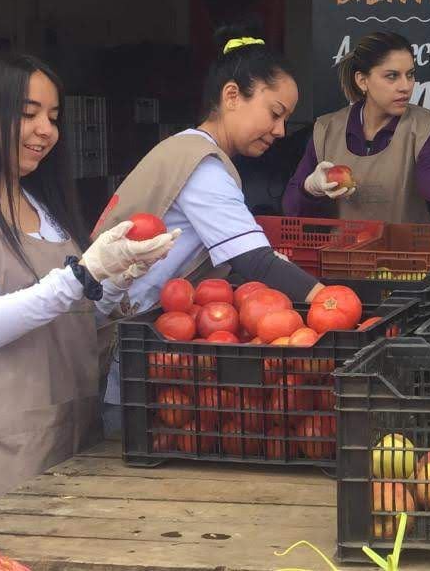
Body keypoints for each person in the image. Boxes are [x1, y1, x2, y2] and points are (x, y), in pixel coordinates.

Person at [0, 52, 177, 538]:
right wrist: (85, 273)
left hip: (55, 435)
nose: (47, 130)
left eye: (54, 117)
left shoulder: (40, 205)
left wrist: (119, 276)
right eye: (28, 113)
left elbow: (71, 316)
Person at [94, 30, 325, 427]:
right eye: (275, 112)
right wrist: (328, 303)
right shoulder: (201, 164)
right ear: (232, 96)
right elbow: (253, 260)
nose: (281, 130)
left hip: (135, 334)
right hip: (125, 343)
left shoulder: (188, 150)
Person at [283, 30, 430, 223]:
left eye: (410, 75)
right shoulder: (326, 130)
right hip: (340, 263)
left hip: (410, 265)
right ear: (362, 81)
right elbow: (292, 209)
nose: (405, 86)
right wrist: (311, 187)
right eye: (392, 76)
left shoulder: (428, 127)